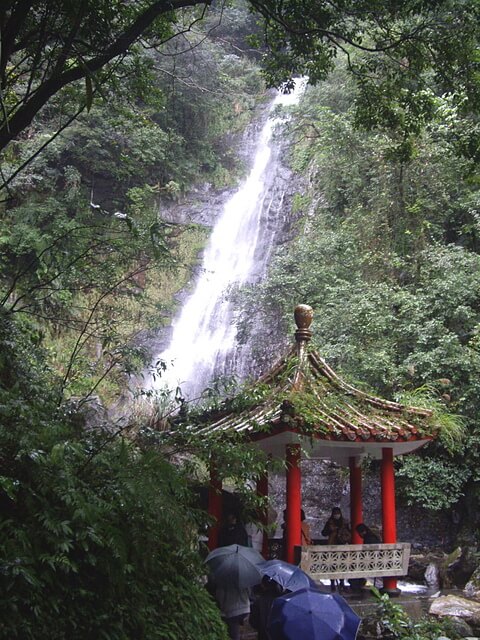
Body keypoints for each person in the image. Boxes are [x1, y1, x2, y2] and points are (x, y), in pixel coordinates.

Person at [321, 507, 350, 592]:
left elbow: (349, 533)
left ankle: (341, 582)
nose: (337, 515)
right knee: (333, 565)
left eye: (338, 513)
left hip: (342, 546)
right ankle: (333, 583)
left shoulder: (345, 523)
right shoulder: (330, 523)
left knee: (342, 565)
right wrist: (330, 530)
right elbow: (323, 533)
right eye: (335, 513)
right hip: (332, 546)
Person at [349, 523, 382, 593]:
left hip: (371, 563)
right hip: (380, 562)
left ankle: (357, 586)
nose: (359, 535)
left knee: (354, 567)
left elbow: (366, 555)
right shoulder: (374, 537)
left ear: (363, 532)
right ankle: (362, 583)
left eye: (359, 533)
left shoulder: (368, 539)